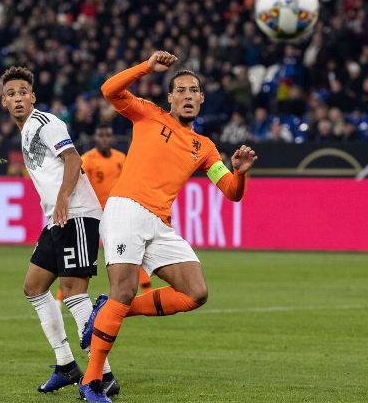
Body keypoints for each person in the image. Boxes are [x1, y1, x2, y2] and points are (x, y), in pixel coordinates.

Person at [78, 51, 258, 402]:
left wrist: (238, 171)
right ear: (171, 98)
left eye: (194, 90)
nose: (188, 95)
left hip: (159, 222)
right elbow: (109, 90)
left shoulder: (204, 147)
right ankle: (91, 381)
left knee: (196, 292)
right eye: (181, 90)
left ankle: (112, 309)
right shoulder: (147, 114)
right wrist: (146, 67)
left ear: (202, 98)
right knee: (124, 290)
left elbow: (231, 193)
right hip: (127, 208)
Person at [0, 67, 119, 397]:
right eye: (11, 94)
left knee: (75, 294)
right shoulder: (24, 134)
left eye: (23, 91)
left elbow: (72, 159)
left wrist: (64, 197)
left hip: (76, 214)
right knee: (34, 287)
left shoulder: (45, 123)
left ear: (32, 97)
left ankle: (102, 377)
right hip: (57, 220)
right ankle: (66, 365)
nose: (18, 97)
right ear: (4, 102)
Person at [55, 125, 153, 304]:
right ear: (96, 137)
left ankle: (147, 291)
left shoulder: (120, 158)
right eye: (101, 135)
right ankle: (60, 297)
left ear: (112, 138)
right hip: (93, 215)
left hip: (116, 215)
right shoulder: (87, 160)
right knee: (81, 257)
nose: (104, 139)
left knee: (130, 251)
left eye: (108, 135)